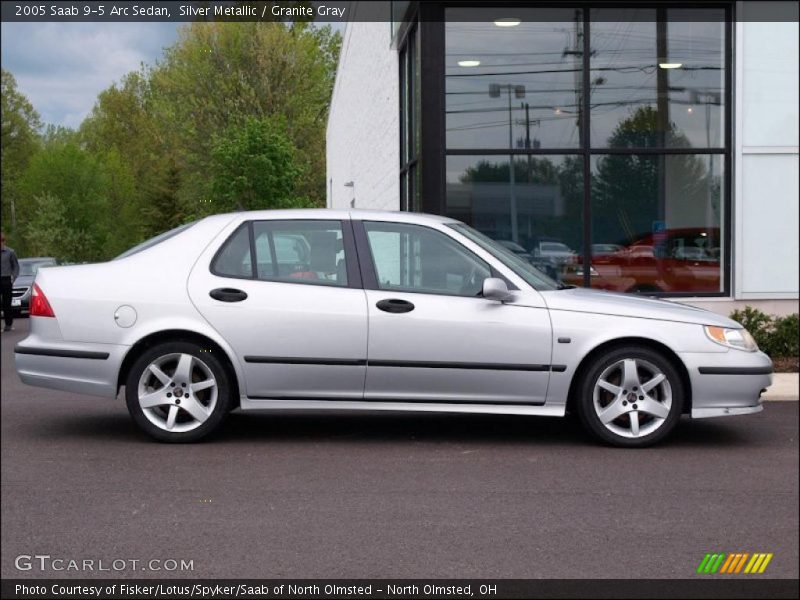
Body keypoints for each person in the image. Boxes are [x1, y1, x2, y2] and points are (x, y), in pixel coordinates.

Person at [1, 232, 20, 332]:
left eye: (2, 241)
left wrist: (14, 277)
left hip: (6, 279)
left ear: (4, 241)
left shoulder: (10, 252)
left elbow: (15, 266)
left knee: (7, 303)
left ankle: (8, 325)